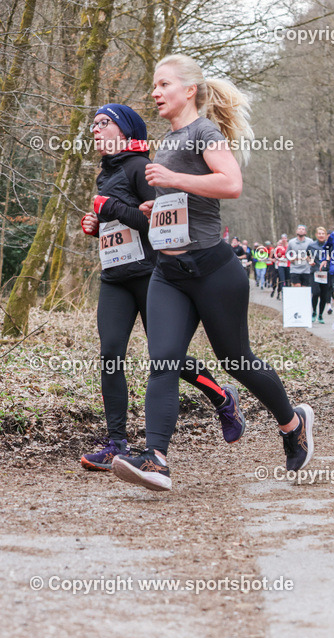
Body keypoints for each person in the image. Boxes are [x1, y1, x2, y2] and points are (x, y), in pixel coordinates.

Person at [110, 53, 314, 492]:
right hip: (169, 273)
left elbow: (231, 183)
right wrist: (154, 205)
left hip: (213, 270)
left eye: (163, 84)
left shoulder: (205, 132)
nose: (155, 92)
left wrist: (174, 181)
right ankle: (157, 459)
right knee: (162, 360)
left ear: (189, 91)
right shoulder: (166, 141)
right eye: (154, 85)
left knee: (237, 360)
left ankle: (292, 422)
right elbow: (181, 202)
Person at [78, 102, 243, 471]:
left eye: (104, 123)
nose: (95, 130)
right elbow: (116, 223)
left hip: (150, 275)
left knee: (167, 358)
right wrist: (97, 224)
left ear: (125, 131)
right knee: (110, 355)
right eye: (94, 124)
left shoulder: (141, 168)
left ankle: (221, 396)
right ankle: (116, 443)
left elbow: (159, 224)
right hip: (114, 277)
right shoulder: (105, 173)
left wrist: (112, 210)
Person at [310, 226, 332, 323]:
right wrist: (310, 260)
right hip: (315, 272)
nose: (321, 235)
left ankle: (320, 315)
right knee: (316, 292)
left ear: (326, 235)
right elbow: (307, 254)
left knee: (324, 295)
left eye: (323, 233)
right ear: (316, 235)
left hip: (326, 272)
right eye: (319, 233)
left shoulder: (330, 246)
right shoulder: (311, 245)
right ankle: (314, 311)